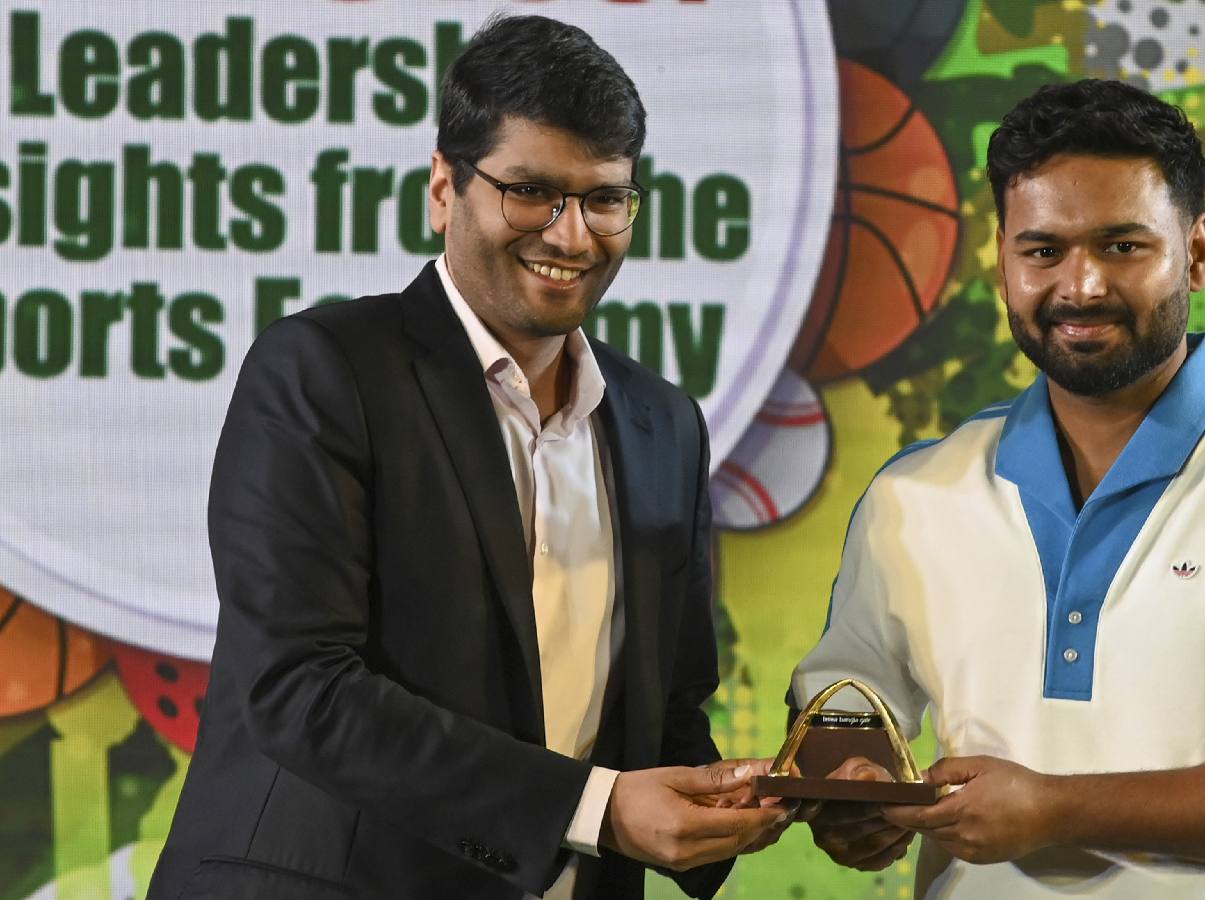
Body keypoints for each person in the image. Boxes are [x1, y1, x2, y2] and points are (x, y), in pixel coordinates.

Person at [147, 15, 787, 900]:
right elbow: (298, 687)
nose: (573, 236)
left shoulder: (663, 426)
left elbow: (666, 715)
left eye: (605, 198)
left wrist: (771, 800)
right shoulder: (324, 372)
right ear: (444, 189)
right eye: (532, 192)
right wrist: (595, 809)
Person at [791, 79, 1205, 899]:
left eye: (1122, 246)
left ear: (1197, 252)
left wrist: (1056, 810)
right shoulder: (915, 492)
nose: (1082, 285)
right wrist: (856, 791)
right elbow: (843, 705)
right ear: (1003, 259)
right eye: (1043, 251)